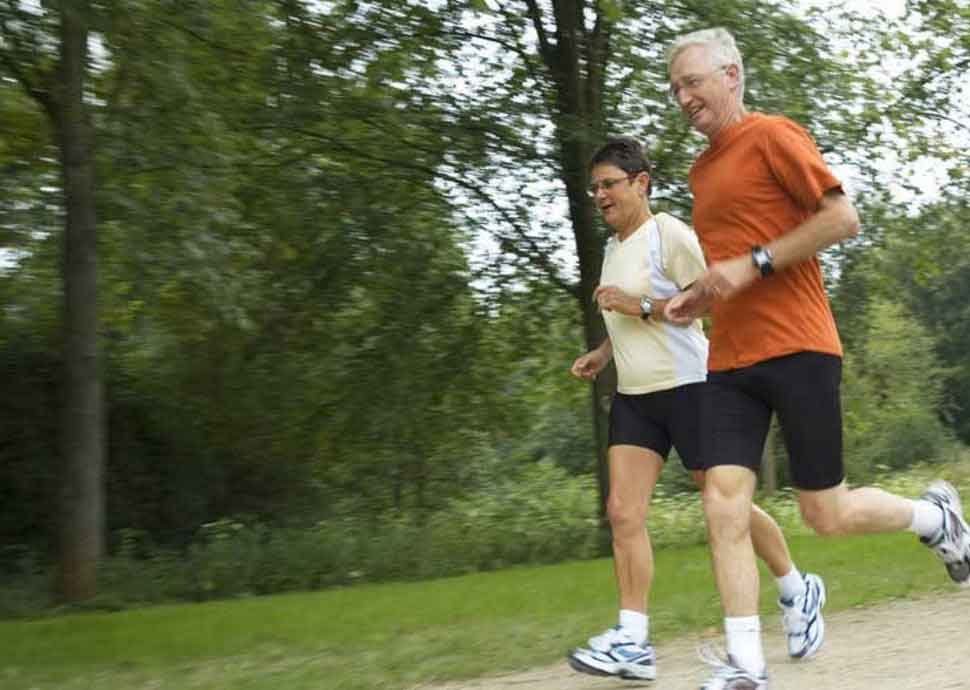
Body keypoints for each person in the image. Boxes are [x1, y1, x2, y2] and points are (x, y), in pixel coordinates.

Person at [664, 27, 970, 690]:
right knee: (721, 501)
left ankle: (935, 517)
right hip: (729, 361)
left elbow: (842, 219)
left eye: (693, 81)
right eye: (675, 87)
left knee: (824, 514)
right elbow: (733, 265)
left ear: (732, 75)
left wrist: (755, 264)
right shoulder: (700, 170)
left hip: (800, 346)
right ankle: (748, 665)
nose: (682, 96)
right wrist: (699, 296)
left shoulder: (773, 135)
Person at [565, 138, 826, 683]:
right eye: (594, 187)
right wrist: (604, 351)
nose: (599, 195)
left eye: (609, 184)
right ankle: (633, 640)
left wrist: (635, 305)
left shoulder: (670, 234)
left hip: (691, 388)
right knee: (622, 512)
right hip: (636, 397)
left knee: (725, 505)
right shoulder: (614, 246)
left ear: (641, 183)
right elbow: (626, 315)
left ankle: (796, 587)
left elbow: (703, 302)